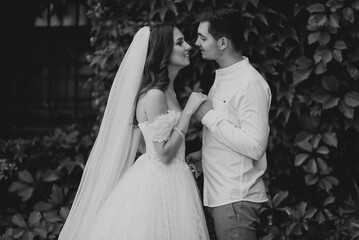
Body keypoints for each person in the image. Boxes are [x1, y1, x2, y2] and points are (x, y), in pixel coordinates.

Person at [58, 23, 210, 240]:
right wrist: (187, 113)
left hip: (172, 178)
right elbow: (163, 154)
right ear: (163, 52)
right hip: (159, 185)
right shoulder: (155, 95)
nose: (188, 46)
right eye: (179, 42)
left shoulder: (168, 91)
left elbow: (145, 143)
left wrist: (186, 159)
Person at [186, 8, 272, 240]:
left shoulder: (249, 83)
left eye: (203, 38)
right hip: (220, 197)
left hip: (236, 199)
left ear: (222, 42)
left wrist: (208, 116)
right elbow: (231, 137)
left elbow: (255, 146)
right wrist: (204, 156)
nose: (196, 43)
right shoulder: (223, 77)